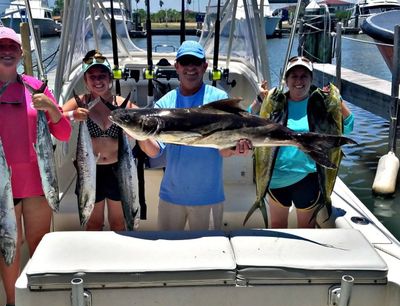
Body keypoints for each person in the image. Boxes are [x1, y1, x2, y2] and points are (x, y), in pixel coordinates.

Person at [0, 27, 71, 306]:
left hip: (38, 181)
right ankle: (13, 303)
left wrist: (53, 109)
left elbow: (63, 133)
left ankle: (39, 294)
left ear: (21, 53)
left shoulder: (36, 88)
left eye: (12, 47)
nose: (7, 52)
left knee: (39, 242)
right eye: (1, 47)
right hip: (2, 184)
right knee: (9, 244)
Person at [139, 40, 250, 231]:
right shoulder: (164, 104)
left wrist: (236, 148)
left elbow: (223, 151)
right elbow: (155, 151)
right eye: (185, 62)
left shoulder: (219, 99)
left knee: (208, 250)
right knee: (167, 248)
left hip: (208, 198)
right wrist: (139, 135)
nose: (190, 68)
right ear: (177, 67)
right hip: (171, 196)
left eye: (196, 62)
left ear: (204, 66)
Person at [259, 55, 354, 229]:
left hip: (308, 178)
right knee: (277, 226)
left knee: (306, 229)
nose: (299, 81)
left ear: (311, 79)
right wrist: (259, 100)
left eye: (304, 76)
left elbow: (347, 127)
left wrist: (338, 101)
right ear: (286, 80)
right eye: (294, 76)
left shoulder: (320, 105)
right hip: (276, 177)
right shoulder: (276, 104)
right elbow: (251, 125)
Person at [62, 50, 136, 231]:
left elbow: (145, 120)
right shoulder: (79, 102)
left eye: (102, 75)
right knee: (93, 223)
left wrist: (132, 127)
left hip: (118, 169)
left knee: (118, 223)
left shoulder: (122, 104)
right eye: (92, 77)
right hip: (89, 170)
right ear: (85, 80)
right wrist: (73, 115)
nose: (98, 81)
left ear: (110, 78)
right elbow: (56, 117)